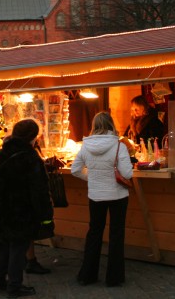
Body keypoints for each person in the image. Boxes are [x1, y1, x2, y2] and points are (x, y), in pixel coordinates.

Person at [0, 119, 54, 298]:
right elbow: (40, 191)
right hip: (21, 213)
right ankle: (14, 286)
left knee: (6, 246)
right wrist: (46, 217)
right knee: (18, 250)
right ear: (32, 137)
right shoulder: (30, 158)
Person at [72, 112, 132, 287]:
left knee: (94, 233)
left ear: (94, 125)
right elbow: (127, 173)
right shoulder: (119, 146)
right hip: (118, 195)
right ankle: (114, 277)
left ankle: (87, 275)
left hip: (96, 195)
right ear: (111, 124)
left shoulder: (85, 146)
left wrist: (91, 178)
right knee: (116, 234)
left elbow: (76, 170)